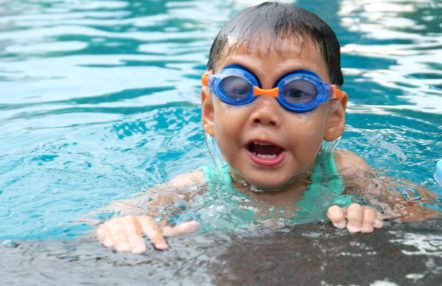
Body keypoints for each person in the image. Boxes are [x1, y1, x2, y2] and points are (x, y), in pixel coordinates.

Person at [95, 2, 437, 254]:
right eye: (239, 90)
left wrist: (374, 219)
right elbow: (123, 213)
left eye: (297, 93)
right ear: (210, 109)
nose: (265, 114)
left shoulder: (345, 171)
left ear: (332, 118)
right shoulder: (198, 185)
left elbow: (422, 218)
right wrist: (126, 224)